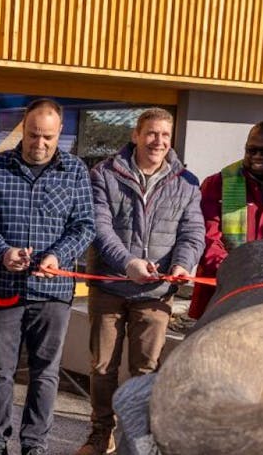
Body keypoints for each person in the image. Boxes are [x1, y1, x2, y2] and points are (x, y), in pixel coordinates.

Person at [0, 98, 95, 455]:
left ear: (61, 134)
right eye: (33, 135)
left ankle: (34, 444)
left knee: (46, 372)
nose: (39, 144)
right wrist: (2, 251)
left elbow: (85, 226)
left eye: (48, 137)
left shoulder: (75, 171)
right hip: (4, 286)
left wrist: (58, 256)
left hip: (52, 291)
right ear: (23, 129)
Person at [76, 108, 204, 455]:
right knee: (102, 366)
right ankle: (101, 433)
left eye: (164, 135)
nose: (157, 141)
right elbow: (100, 228)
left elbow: (193, 232)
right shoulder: (104, 174)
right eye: (151, 133)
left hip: (156, 292)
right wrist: (128, 263)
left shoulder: (187, 182)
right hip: (110, 286)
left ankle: (138, 437)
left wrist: (183, 263)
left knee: (146, 369)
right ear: (135, 135)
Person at [188, 120, 263, 319]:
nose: (257, 156)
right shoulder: (218, 183)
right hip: (223, 288)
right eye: (251, 150)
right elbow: (207, 237)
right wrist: (236, 271)